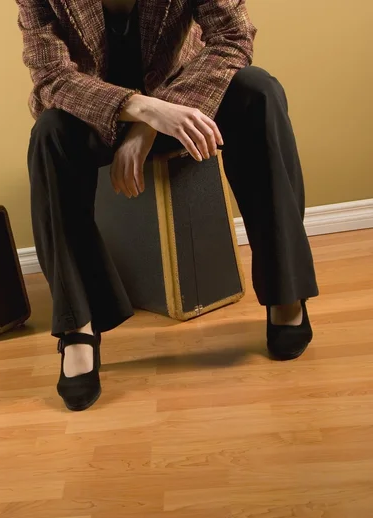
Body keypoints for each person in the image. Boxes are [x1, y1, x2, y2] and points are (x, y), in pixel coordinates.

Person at [16, 0, 319, 411]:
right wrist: (140, 109)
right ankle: (78, 328)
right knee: (48, 135)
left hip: (186, 103)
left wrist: (150, 126)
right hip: (100, 111)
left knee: (260, 90)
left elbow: (233, 37)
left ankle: (286, 291)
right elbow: (51, 77)